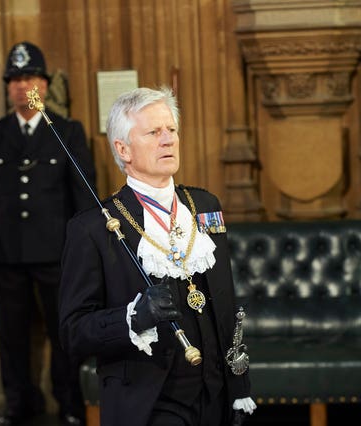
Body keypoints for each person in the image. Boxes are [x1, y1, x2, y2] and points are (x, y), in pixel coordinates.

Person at [58, 87, 256, 426]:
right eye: (154, 132)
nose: (168, 140)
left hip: (215, 396)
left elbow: (226, 308)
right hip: (149, 402)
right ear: (124, 149)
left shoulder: (205, 207)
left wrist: (239, 388)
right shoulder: (93, 227)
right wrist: (133, 317)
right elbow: (73, 332)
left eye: (172, 130)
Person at [0, 41, 96, 426]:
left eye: (31, 78)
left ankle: (70, 403)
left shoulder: (67, 131)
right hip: (6, 254)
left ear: (45, 83)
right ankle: (18, 402)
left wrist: (86, 251)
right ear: (8, 87)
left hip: (58, 254)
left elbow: (84, 195)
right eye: (16, 79)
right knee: (11, 335)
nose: (23, 86)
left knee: (64, 332)